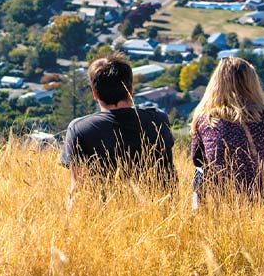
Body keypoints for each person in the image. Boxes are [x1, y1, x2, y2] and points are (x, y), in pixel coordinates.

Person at [59, 53, 176, 198]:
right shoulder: (158, 120)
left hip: (107, 214)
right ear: (131, 91)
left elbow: (78, 189)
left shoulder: (79, 129)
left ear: (95, 94)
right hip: (161, 212)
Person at [189, 56, 264, 208]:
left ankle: (196, 213)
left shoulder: (205, 119)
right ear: (252, 84)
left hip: (218, 199)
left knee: (199, 170)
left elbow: (197, 159)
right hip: (257, 198)